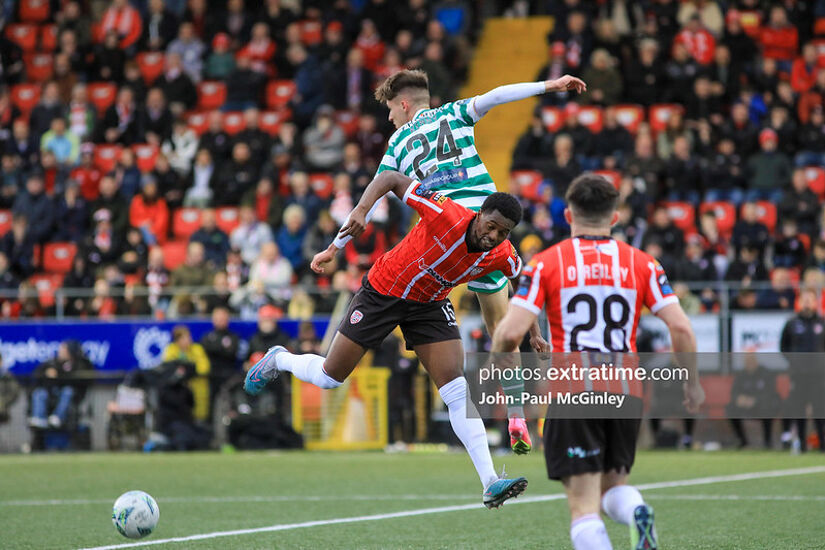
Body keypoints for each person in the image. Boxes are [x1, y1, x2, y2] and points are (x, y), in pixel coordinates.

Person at [245, 170, 530, 509]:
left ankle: (490, 483)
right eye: (491, 225)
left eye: (503, 232)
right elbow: (393, 178)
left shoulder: (503, 253)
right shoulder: (445, 212)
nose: (494, 235)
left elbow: (521, 282)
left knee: (456, 389)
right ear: (481, 214)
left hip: (429, 304)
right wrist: (361, 211)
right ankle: (279, 358)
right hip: (384, 290)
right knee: (329, 377)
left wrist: (536, 334)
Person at [331, 69, 571, 449]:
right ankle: (515, 415)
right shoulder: (454, 113)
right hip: (488, 231)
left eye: (391, 110)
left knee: (425, 289)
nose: (390, 118)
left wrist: (333, 249)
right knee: (502, 332)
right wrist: (549, 86)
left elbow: (372, 198)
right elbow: (497, 94)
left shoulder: (396, 143)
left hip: (447, 234)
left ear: (403, 104)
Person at [490, 173, 705, 550]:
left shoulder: (546, 263)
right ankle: (636, 509)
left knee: (583, 506)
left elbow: (509, 333)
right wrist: (691, 382)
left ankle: (632, 513)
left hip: (574, 390)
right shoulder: (644, 264)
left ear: (569, 216)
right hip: (626, 391)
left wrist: (496, 365)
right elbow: (682, 329)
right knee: (613, 488)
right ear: (615, 217)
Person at [779, 288, 825, 452]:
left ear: (815, 302)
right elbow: (783, 347)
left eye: (810, 299)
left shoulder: (821, 323)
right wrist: (795, 363)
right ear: (799, 302)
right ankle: (801, 444)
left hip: (819, 375)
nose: (807, 302)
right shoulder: (792, 324)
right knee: (799, 408)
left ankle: (822, 443)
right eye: (804, 299)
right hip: (799, 375)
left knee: (820, 408)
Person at [28, 341, 92, 429]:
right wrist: (47, 373)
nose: (61, 351)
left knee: (67, 391)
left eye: (64, 349)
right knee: (40, 393)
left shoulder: (80, 364)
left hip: (72, 396)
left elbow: (79, 380)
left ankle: (58, 417)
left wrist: (59, 375)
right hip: (52, 392)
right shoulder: (53, 362)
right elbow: (37, 373)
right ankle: (39, 418)